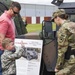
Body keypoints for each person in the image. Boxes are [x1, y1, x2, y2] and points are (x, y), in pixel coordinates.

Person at [0, 1, 21, 74]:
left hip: (8, 48)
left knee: (11, 70)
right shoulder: (5, 20)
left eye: (17, 13)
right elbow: (1, 37)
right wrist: (6, 51)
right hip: (4, 50)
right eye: (14, 13)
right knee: (4, 71)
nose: (15, 15)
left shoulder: (10, 18)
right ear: (10, 9)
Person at [52, 9, 75, 75]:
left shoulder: (63, 29)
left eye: (54, 20)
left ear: (58, 18)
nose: (54, 22)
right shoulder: (73, 24)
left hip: (70, 60)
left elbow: (62, 50)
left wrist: (58, 67)